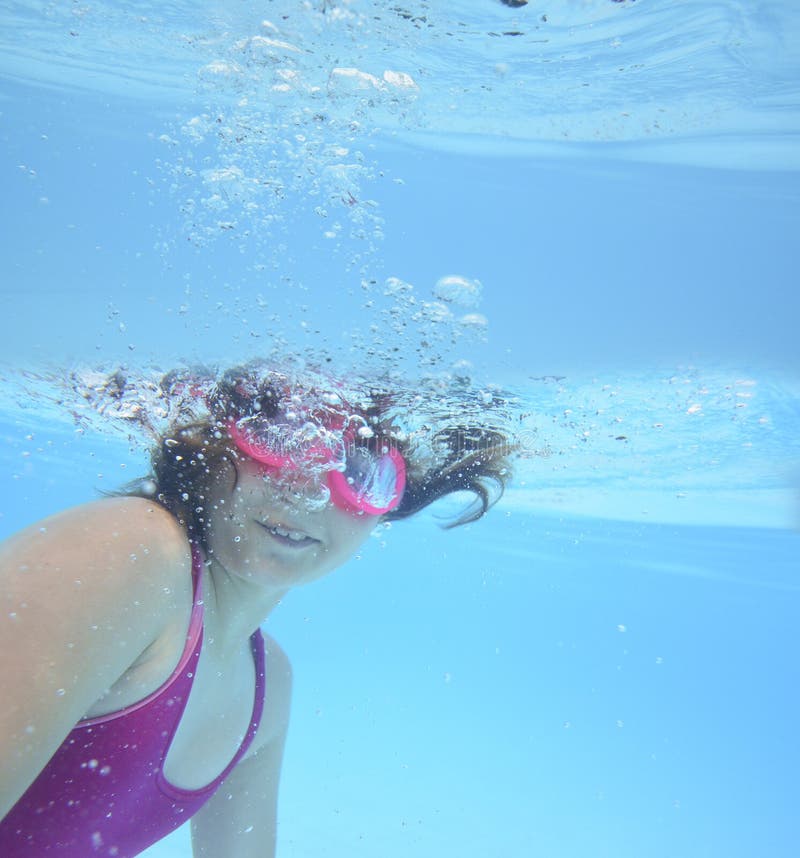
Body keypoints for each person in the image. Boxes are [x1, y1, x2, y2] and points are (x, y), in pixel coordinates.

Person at [0, 364, 512, 857]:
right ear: (215, 436)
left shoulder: (265, 692)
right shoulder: (131, 554)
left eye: (359, 471)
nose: (310, 490)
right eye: (282, 439)